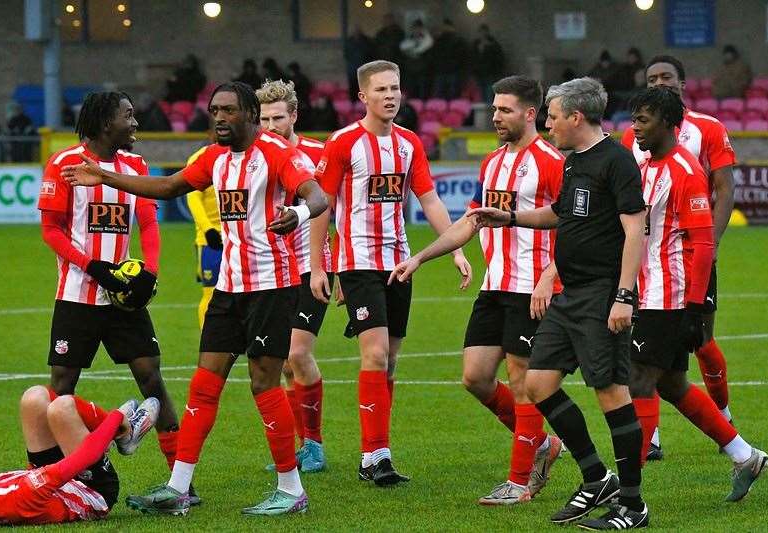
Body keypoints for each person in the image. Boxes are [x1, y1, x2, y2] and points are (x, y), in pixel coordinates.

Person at [62, 81, 328, 516]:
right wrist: (106, 176)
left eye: (227, 111)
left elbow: (316, 196)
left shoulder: (278, 155)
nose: (219, 118)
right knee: (204, 387)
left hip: (272, 288)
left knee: (264, 385)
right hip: (228, 288)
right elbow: (168, 187)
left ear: (248, 114)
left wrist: (296, 213)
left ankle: (291, 488)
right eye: (213, 111)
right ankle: (178, 486)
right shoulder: (213, 159)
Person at [468, 77, 649, 529]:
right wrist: (509, 216)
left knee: (611, 393)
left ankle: (632, 504)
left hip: (603, 295)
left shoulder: (617, 161)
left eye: (552, 116)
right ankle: (595, 477)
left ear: (576, 117)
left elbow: (634, 230)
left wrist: (624, 296)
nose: (547, 124)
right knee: (538, 383)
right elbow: (561, 214)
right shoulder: (573, 162)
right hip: (570, 296)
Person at [389, 76, 564, 505]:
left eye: (504, 109)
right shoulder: (492, 163)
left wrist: (550, 276)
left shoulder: (551, 161)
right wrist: (421, 257)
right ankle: (542, 444)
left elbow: (575, 225)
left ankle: (519, 483)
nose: (495, 115)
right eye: (494, 107)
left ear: (529, 113)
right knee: (475, 377)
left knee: (522, 382)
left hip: (532, 289)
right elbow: (471, 221)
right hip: (495, 286)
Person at [309, 60, 472, 486]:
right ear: (363, 96)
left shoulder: (410, 143)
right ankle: (372, 456)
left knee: (392, 360)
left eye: (395, 88)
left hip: (399, 261)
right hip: (358, 261)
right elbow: (320, 207)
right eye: (381, 89)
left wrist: (454, 248)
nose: (390, 95)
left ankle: (380, 452)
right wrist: (318, 265)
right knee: (376, 353)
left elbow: (430, 200)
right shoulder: (343, 143)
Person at [37, 91, 188, 501]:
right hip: (77, 295)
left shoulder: (135, 166)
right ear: (107, 123)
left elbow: (150, 225)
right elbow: (51, 229)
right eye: (129, 116)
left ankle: (180, 482)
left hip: (124, 300)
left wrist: (149, 273)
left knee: (152, 378)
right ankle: (54, 476)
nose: (136, 123)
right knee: (62, 385)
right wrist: (93, 267)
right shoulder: (64, 164)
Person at [627, 86, 768, 502]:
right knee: (671, 384)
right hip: (648, 289)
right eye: (634, 118)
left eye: (644, 120)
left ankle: (626, 491)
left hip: (669, 295)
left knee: (639, 379)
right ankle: (744, 456)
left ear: (669, 125)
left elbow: (703, 242)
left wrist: (693, 307)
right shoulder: (649, 165)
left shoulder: (685, 170)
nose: (634, 128)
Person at [620, 55, 737, 461]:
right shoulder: (637, 140)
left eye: (667, 77)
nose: (660, 82)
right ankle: (737, 451)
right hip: (647, 267)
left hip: (685, 265)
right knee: (661, 375)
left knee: (696, 344)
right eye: (653, 78)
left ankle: (724, 415)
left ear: (683, 83)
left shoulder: (705, 131)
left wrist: (710, 242)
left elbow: (723, 187)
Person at [257, 79, 331, 472]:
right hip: (270, 270)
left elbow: (334, 207)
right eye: (264, 119)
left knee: (298, 353)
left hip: (311, 268)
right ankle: (300, 448)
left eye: (278, 118)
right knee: (282, 362)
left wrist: (329, 268)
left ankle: (315, 445)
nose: (270, 126)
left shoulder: (318, 154)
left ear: (294, 116)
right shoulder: (255, 157)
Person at [0, 386, 158, 525]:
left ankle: (118, 429)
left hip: (47, 483)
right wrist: (116, 417)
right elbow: (88, 454)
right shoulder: (25, 495)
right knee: (62, 407)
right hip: (93, 489)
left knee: (33, 398)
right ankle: (127, 432)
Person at [185, 142, 222, 330]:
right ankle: (209, 344)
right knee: (211, 293)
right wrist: (208, 229)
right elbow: (193, 197)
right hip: (211, 243)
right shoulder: (202, 157)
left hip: (241, 240)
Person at [430, 19, 468, 99]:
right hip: (446, 71)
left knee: (447, 94)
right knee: (446, 94)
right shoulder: (441, 40)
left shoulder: (441, 41)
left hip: (449, 71)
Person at [400, 20, 433, 99]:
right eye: (415, 28)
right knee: (411, 89)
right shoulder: (410, 38)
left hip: (423, 70)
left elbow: (424, 47)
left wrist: (413, 49)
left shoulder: (427, 39)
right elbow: (402, 46)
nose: (416, 30)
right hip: (411, 69)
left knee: (422, 90)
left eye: (418, 28)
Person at [471, 24, 505, 103]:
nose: (482, 34)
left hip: (490, 72)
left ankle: (488, 110)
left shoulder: (493, 44)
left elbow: (498, 58)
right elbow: (473, 58)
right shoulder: (476, 44)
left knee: (488, 92)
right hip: (479, 73)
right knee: (481, 92)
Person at [345, 27, 376, 100]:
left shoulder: (367, 42)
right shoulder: (349, 42)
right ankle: (353, 102)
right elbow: (346, 54)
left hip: (364, 69)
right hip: (353, 69)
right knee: (353, 87)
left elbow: (370, 54)